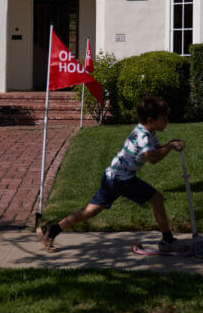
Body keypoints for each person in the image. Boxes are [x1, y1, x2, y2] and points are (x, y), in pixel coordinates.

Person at [37, 96, 187, 253]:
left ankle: (51, 230)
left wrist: (170, 144)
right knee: (157, 198)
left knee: (90, 211)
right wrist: (170, 146)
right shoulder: (143, 136)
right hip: (122, 179)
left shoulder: (147, 132)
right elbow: (153, 158)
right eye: (164, 118)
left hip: (111, 175)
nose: (167, 121)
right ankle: (168, 240)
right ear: (151, 119)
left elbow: (155, 150)